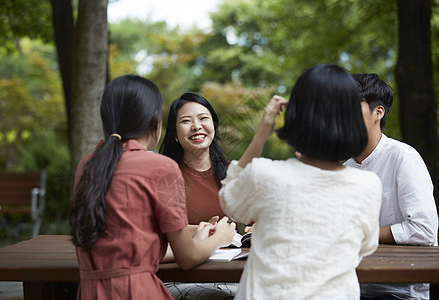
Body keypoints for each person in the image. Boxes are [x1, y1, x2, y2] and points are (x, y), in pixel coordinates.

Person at [219, 64, 383, 299]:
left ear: (296, 116)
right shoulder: (369, 185)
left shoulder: (264, 174)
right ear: (353, 121)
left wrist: (260, 136)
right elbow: (364, 247)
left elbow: (228, 200)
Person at [69, 75, 235, 300]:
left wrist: (196, 234)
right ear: (155, 122)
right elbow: (187, 258)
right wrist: (221, 238)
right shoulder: (161, 167)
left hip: (90, 292)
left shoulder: (88, 164)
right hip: (139, 292)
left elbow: (130, 244)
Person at [344, 73, 438, 300]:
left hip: (398, 292)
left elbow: (424, 230)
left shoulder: (403, 157)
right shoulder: (345, 168)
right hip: (352, 287)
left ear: (378, 112)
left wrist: (362, 233)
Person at [160, 92, 241, 299]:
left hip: (232, 277)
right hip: (182, 279)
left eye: (203, 118)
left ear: (213, 124)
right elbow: (158, 232)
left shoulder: (232, 172)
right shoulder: (164, 176)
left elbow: (254, 221)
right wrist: (211, 231)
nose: (196, 126)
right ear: (175, 134)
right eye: (186, 121)